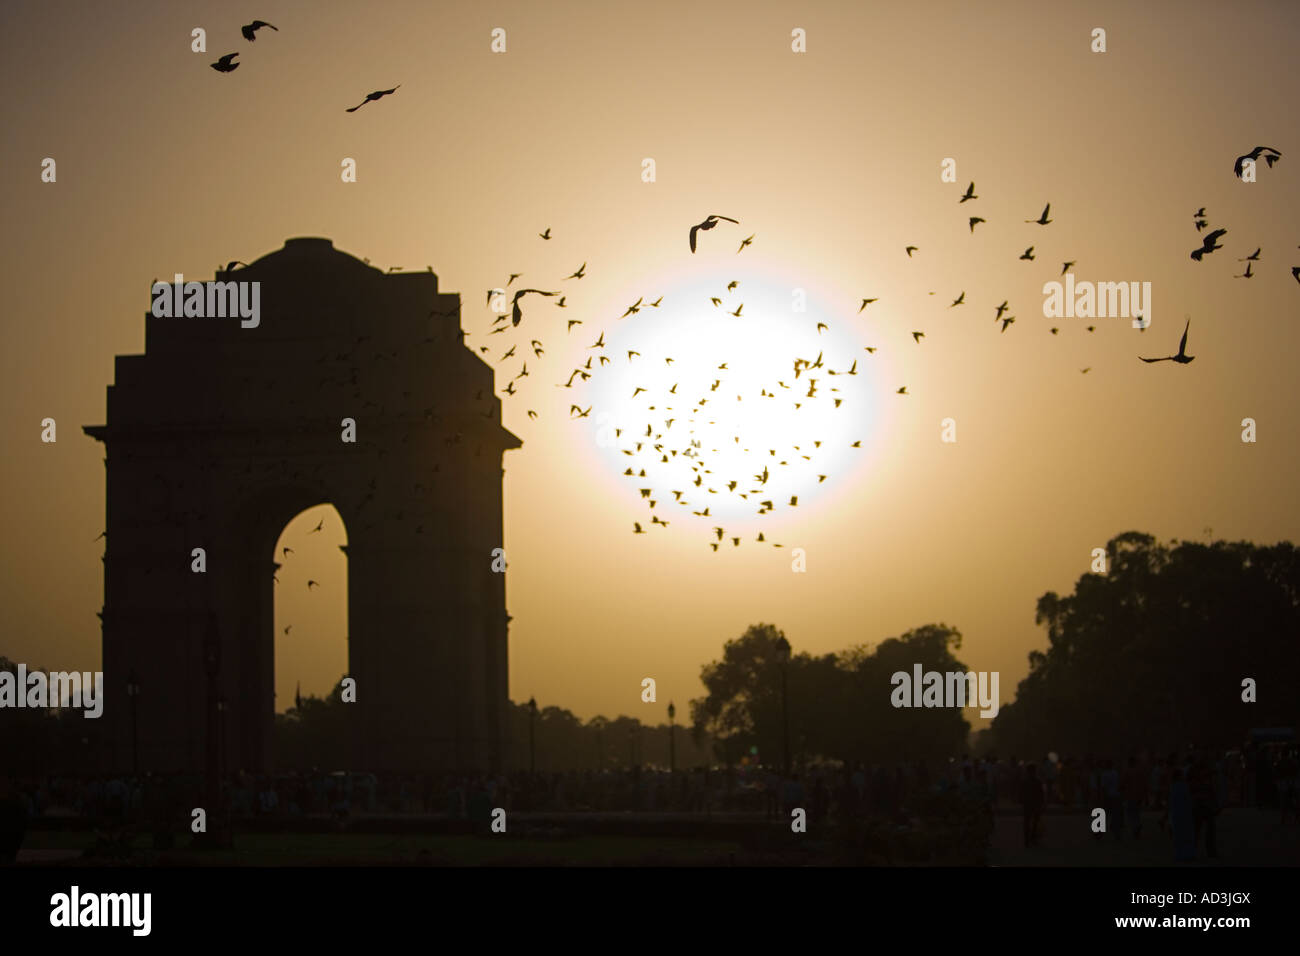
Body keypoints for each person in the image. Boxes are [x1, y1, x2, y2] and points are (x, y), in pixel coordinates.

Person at [1168, 765, 1195, 861]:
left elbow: (1172, 802)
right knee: (1185, 835)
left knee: (1179, 835)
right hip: (1184, 813)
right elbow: (1188, 800)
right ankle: (1187, 853)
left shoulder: (1173, 787)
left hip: (1177, 813)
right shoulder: (1183, 786)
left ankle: (1180, 853)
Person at [1020, 762, 1044, 847]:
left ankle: (1027, 840)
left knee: (1028, 822)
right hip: (1034, 804)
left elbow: (1021, 793)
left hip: (1028, 804)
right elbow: (1041, 794)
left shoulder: (1025, 781)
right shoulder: (1037, 781)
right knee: (1034, 822)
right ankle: (1032, 839)